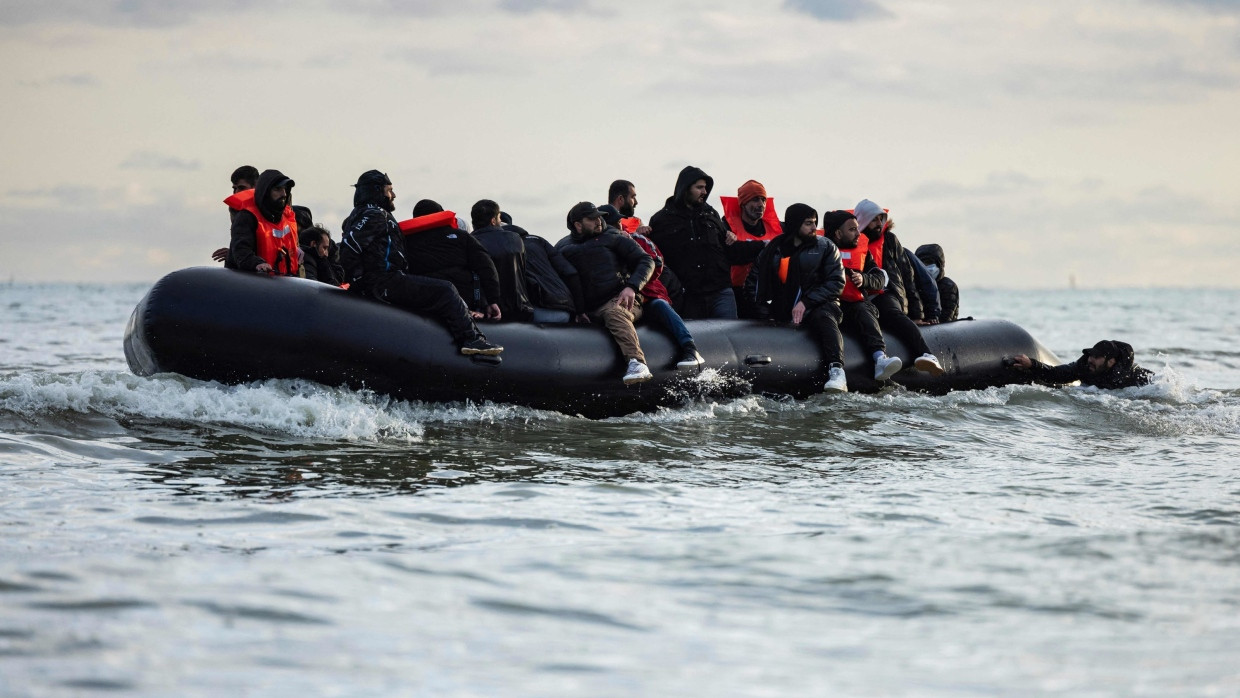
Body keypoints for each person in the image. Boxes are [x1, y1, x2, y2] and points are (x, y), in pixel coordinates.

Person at [339, 170, 501, 356]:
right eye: (389, 190)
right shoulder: (374, 214)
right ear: (377, 191)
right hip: (384, 281)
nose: (393, 195)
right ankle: (471, 340)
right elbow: (350, 247)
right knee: (446, 290)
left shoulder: (361, 214)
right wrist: (359, 282)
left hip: (383, 280)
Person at [746, 204, 853, 392]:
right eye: (808, 224)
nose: (814, 228)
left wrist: (806, 302)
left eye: (815, 223)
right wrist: (764, 313)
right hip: (781, 308)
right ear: (795, 225)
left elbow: (836, 282)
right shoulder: (773, 249)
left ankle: (837, 370)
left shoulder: (826, 246)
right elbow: (754, 283)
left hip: (820, 304)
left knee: (824, 317)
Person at [557, 202, 657, 385]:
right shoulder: (563, 247)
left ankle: (637, 363)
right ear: (578, 225)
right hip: (587, 308)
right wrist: (578, 311)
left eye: (599, 217)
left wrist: (632, 287)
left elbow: (646, 260)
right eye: (592, 219)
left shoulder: (614, 237)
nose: (598, 221)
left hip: (622, 299)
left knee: (614, 312)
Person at [649, 166, 765, 319]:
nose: (704, 192)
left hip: (721, 292)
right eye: (699, 187)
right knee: (695, 341)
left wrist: (763, 245)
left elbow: (731, 250)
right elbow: (654, 259)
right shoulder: (661, 220)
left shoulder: (711, 214)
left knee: (729, 339)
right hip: (689, 296)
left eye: (705, 188)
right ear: (685, 188)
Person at [600, 206, 704, 369]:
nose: (619, 227)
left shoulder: (637, 240)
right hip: (619, 299)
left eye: (619, 223)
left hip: (648, 295)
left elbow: (656, 263)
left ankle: (690, 348)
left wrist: (635, 281)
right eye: (615, 224)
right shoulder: (598, 249)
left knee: (661, 306)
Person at [853, 199, 944, 375]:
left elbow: (908, 278)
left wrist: (916, 315)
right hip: (860, 297)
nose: (879, 223)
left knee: (894, 316)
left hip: (886, 293)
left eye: (881, 219)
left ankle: (926, 354)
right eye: (874, 219)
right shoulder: (852, 241)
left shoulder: (890, 240)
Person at [818, 210, 904, 385]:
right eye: (852, 230)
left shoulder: (863, 253)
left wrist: (865, 279)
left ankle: (880, 358)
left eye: (857, 229)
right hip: (829, 305)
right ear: (838, 233)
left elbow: (880, 278)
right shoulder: (820, 251)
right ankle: (836, 370)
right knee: (826, 314)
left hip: (854, 306)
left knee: (864, 310)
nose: (859, 233)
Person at [401, 199, 502, 321]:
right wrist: (492, 300)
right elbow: (486, 267)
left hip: (425, 305)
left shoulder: (405, 243)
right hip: (464, 302)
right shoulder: (462, 237)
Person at [503, 213, 587, 324]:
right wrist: (580, 311)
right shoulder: (538, 241)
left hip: (541, 311)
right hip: (565, 309)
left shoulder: (507, 248)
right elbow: (570, 273)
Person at [719, 180, 782, 318]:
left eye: (763, 200)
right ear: (743, 203)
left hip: (767, 292)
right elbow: (732, 253)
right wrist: (764, 246)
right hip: (736, 294)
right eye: (755, 200)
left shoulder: (778, 228)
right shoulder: (725, 227)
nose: (761, 205)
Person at [223, 168, 299, 275]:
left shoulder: (288, 216)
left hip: (284, 283)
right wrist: (257, 264)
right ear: (266, 192)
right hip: (252, 284)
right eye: (277, 189)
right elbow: (242, 250)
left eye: (285, 189)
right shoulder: (246, 217)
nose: (284, 194)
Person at [471, 200, 535, 322]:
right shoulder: (515, 239)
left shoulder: (471, 242)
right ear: (493, 221)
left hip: (489, 311)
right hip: (521, 307)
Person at [1007, 340, 1153, 389]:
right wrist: (1031, 364)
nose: (1090, 360)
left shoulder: (1133, 375)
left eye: (1096, 357)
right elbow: (1056, 374)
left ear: (1111, 362)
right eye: (1090, 355)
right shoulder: (1083, 367)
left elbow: (1157, 390)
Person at [213, 165, 260, 263]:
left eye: (241, 188)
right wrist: (233, 253)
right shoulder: (236, 209)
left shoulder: (266, 211)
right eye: (234, 188)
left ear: (256, 187)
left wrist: (234, 254)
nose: (236, 193)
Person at [916, 243, 959, 323]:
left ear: (940, 265)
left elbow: (947, 316)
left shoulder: (948, 286)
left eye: (929, 263)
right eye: (922, 263)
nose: (926, 267)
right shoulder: (915, 285)